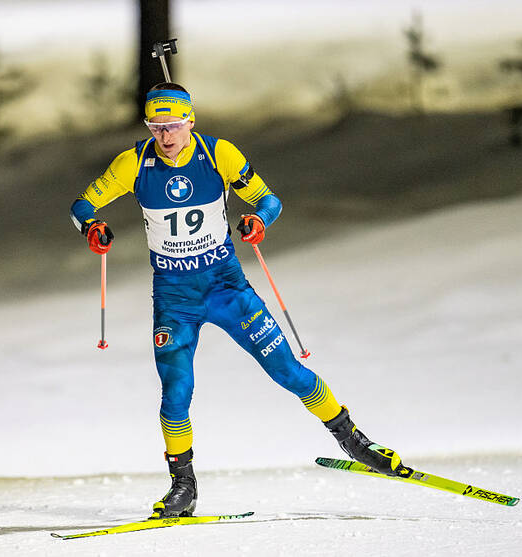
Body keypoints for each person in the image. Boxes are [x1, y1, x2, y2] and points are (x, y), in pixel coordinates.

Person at [69, 83, 404, 519]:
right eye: (156, 127)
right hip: (175, 298)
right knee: (175, 394)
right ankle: (183, 486)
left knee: (287, 371)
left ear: (190, 120)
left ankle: (354, 440)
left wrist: (257, 221)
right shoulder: (134, 161)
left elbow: (270, 200)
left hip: (227, 288)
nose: (164, 136)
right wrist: (91, 227)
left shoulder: (218, 154)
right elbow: (81, 204)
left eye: (172, 126)